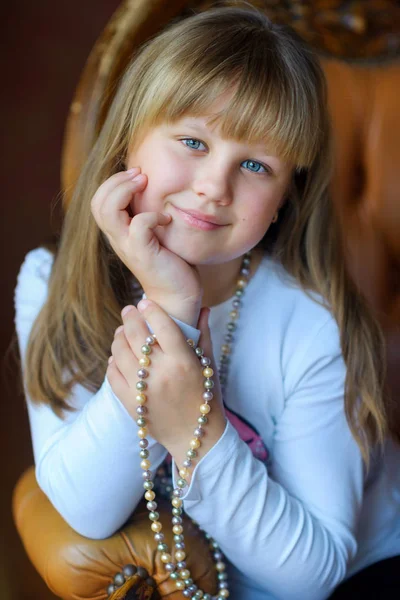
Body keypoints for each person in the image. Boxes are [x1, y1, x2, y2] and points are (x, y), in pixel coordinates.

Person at [14, 5, 400, 600]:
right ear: (127, 142)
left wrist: (196, 426)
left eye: (255, 165)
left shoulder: (310, 323)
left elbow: (315, 575)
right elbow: (84, 512)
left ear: (283, 200)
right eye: (192, 141)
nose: (215, 186)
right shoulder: (50, 280)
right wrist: (169, 305)